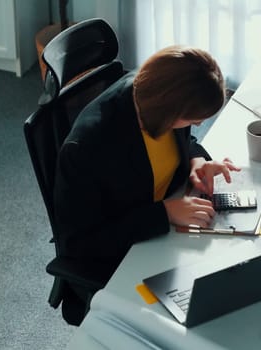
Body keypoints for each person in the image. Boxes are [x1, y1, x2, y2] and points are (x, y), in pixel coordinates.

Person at [53, 45, 239, 322]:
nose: (196, 125)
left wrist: (196, 161)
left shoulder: (156, 96)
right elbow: (81, 244)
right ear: (169, 111)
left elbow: (183, 141)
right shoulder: (88, 148)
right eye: (192, 120)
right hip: (124, 255)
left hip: (165, 236)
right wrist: (164, 213)